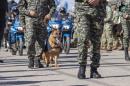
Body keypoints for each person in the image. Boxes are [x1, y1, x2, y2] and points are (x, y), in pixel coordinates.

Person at [75, 0, 106, 79]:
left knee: (96, 41)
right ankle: (82, 67)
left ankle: (94, 69)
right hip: (82, 11)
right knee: (83, 38)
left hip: (98, 11)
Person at [23, 0, 56, 68]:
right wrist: (28, 12)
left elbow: (53, 6)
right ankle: (31, 59)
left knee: (41, 41)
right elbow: (20, 7)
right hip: (30, 20)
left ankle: (37, 59)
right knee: (30, 39)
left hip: (42, 20)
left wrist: (50, 14)